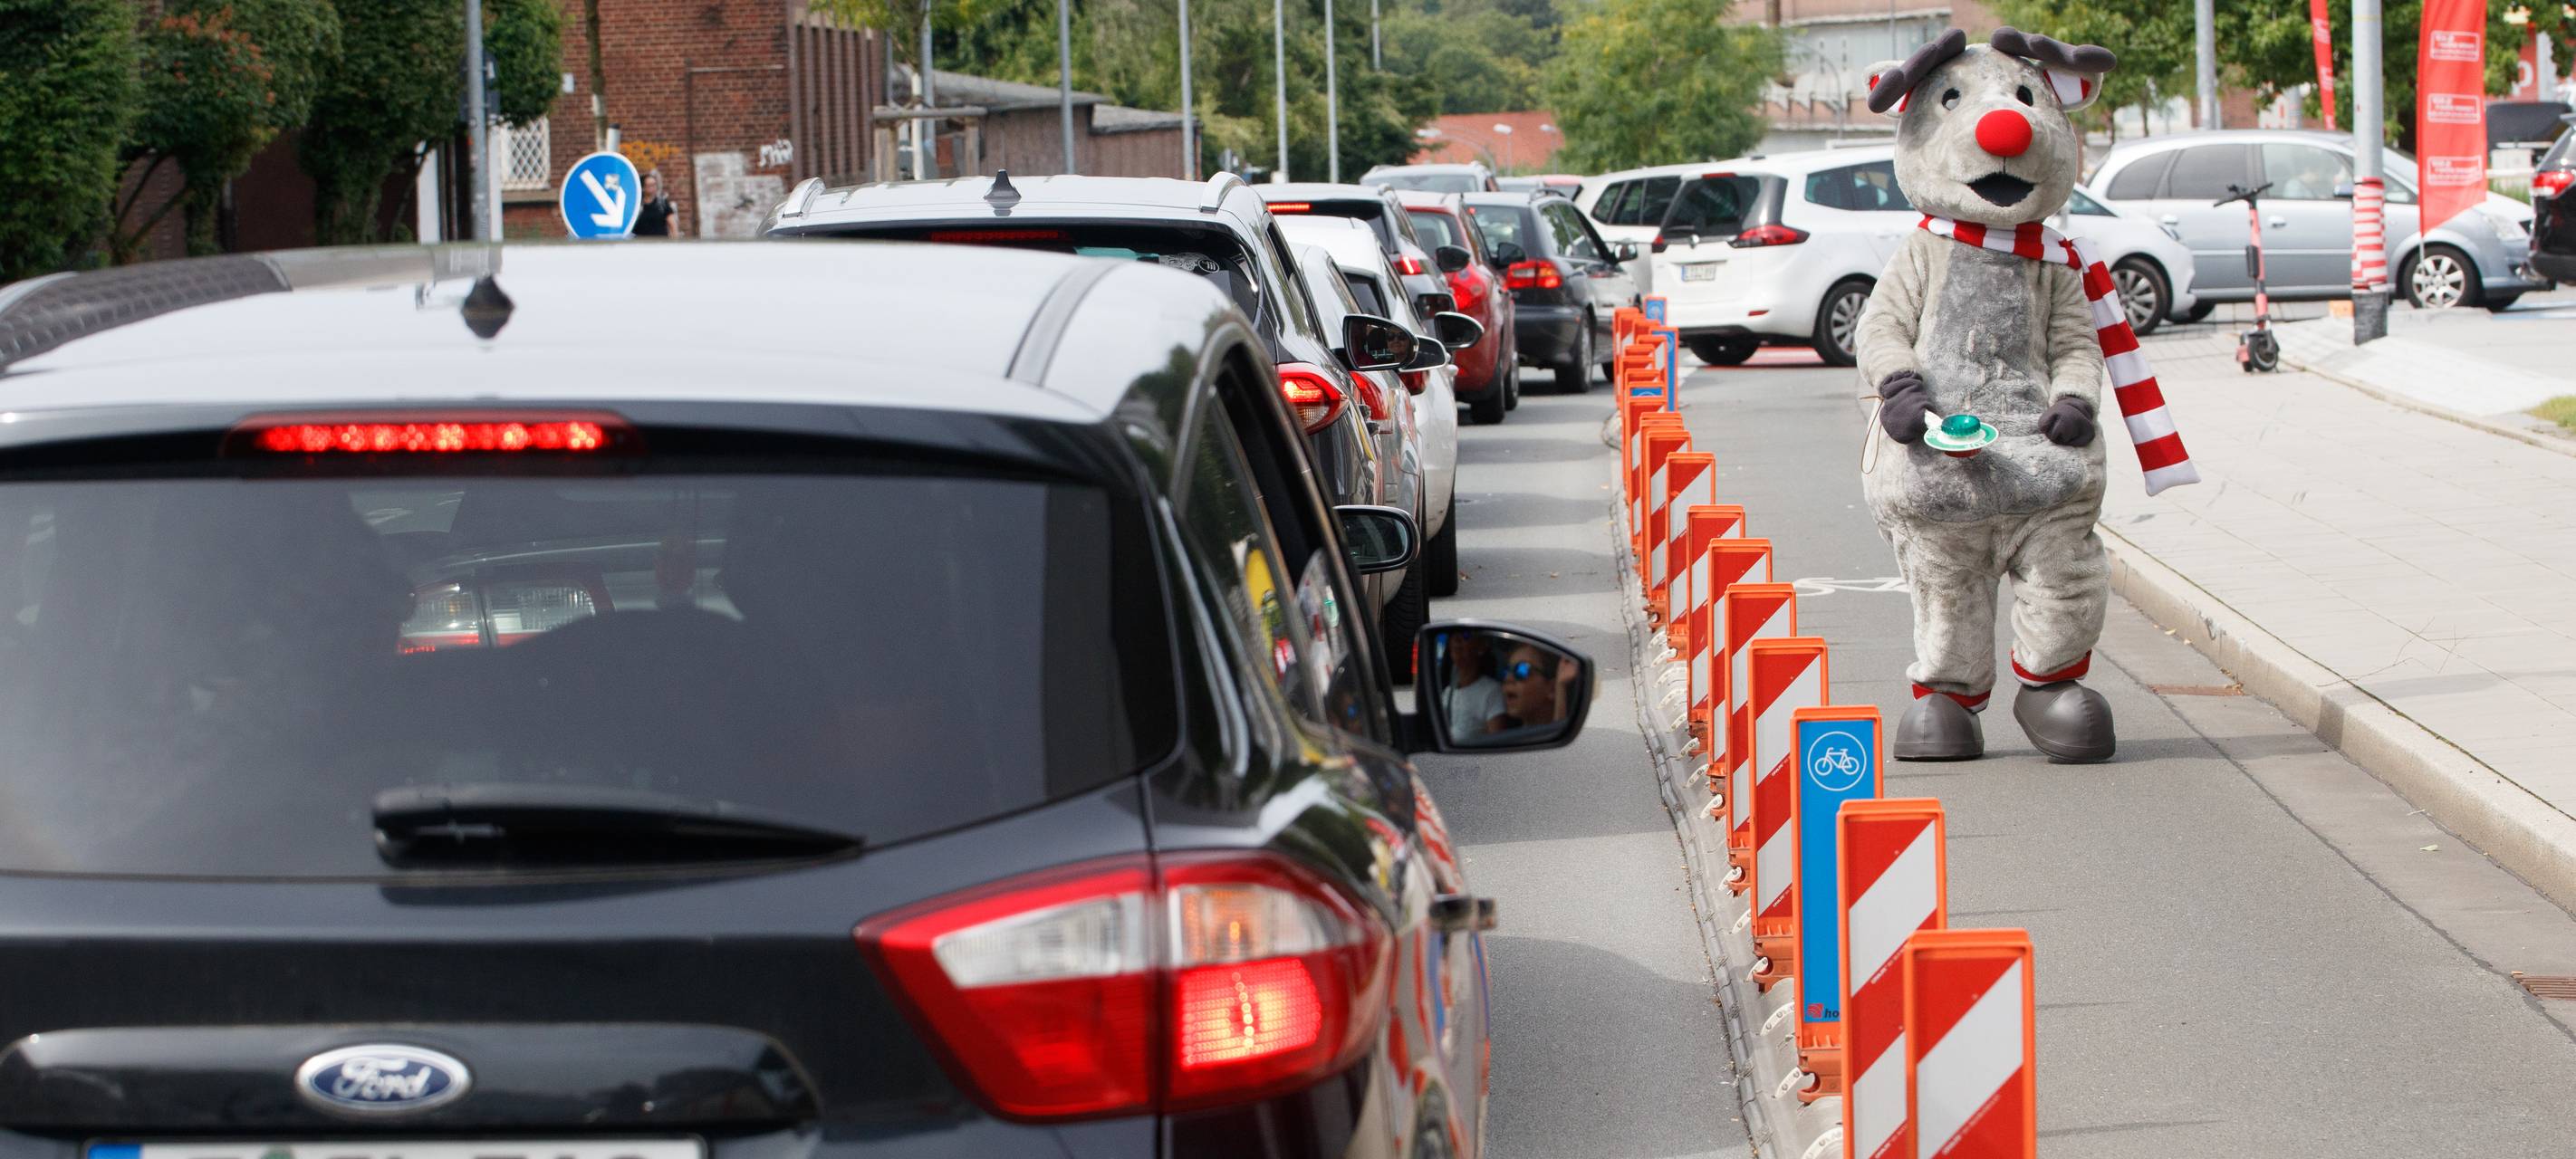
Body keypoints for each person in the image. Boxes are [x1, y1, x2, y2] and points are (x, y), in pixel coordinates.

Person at [1441, 632, 1505, 744]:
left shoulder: (1493, 692)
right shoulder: (1447, 692)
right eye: (1454, 636)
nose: (1457, 640)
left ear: (1481, 647)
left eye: (1466, 635)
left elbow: (1498, 743)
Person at [633, 169, 678, 237]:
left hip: (660, 241)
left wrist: (675, 238)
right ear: (643, 188)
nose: (653, 188)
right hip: (640, 241)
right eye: (650, 185)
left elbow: (672, 223)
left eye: (654, 185)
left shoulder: (662, 203)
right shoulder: (636, 205)